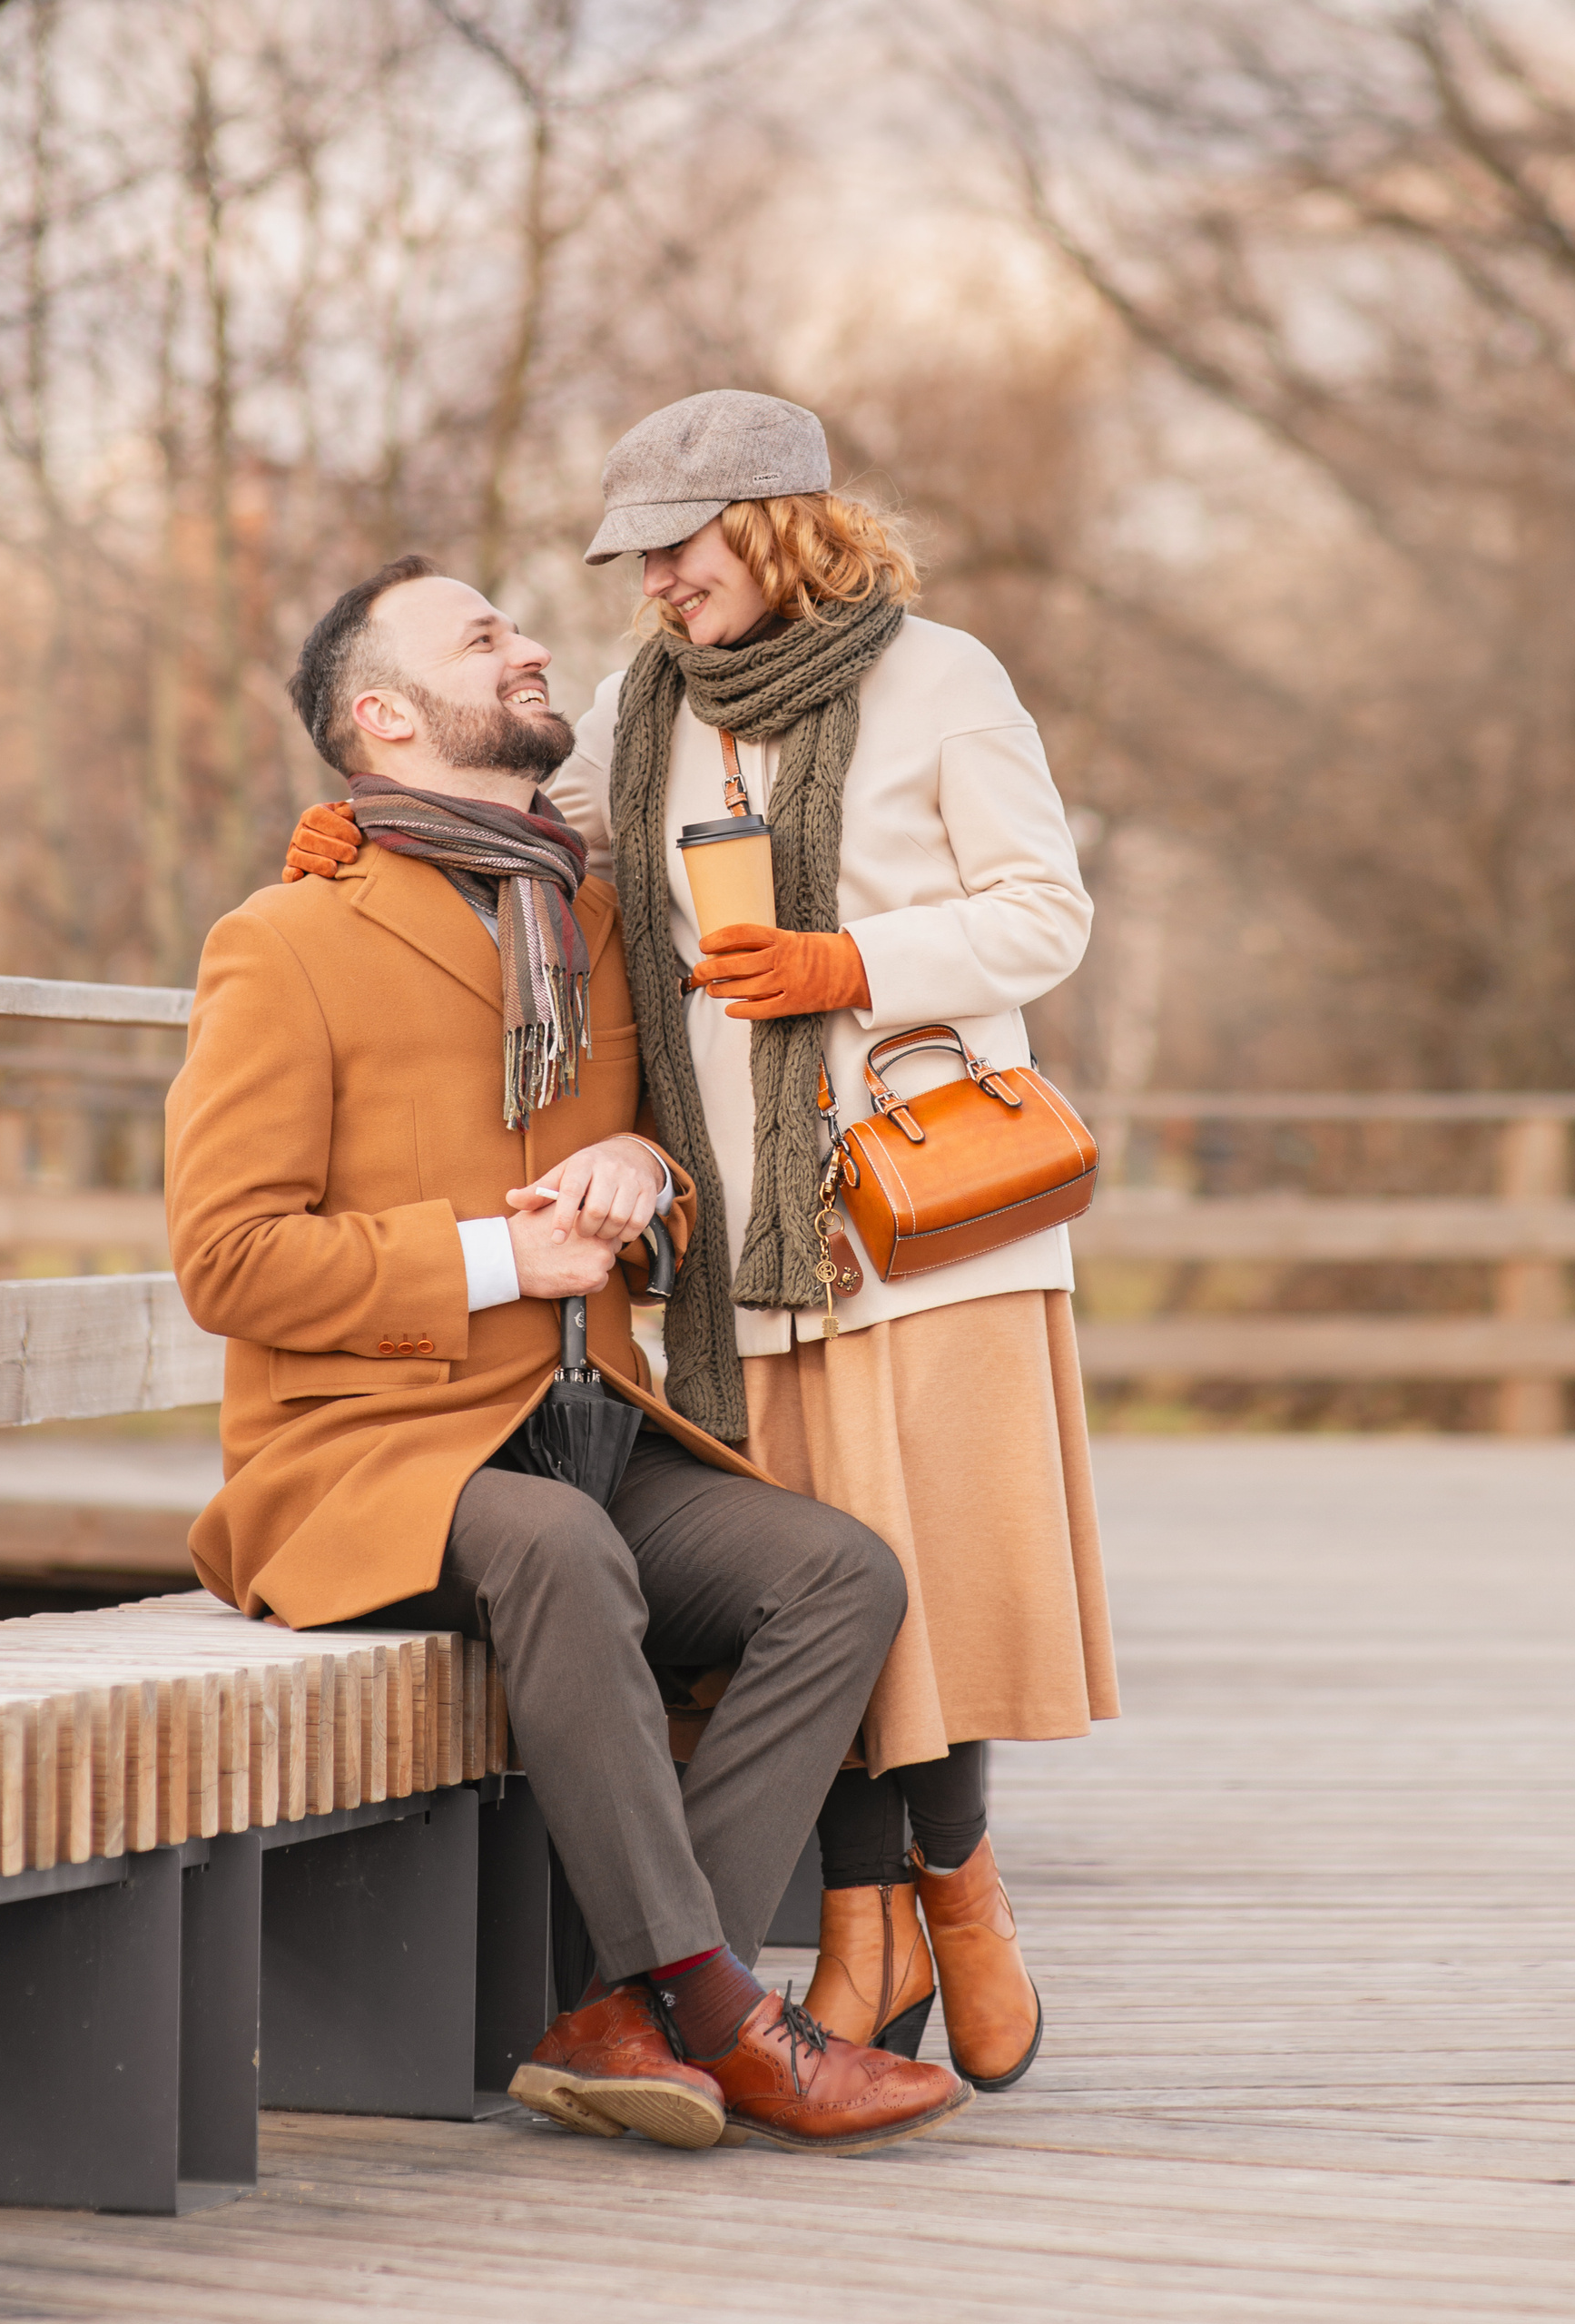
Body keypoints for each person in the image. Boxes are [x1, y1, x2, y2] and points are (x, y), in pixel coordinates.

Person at [283, 392, 1118, 2093]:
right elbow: (546, 847)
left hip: (924, 1208)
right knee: (833, 1571)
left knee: (928, 1576)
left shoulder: (937, 677)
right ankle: (864, 1920)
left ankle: (951, 1891)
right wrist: (358, 838)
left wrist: (846, 961)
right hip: (744, 1240)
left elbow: (1045, 912)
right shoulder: (633, 708)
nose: (653, 583)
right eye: (635, 559)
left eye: (677, 546)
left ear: (777, 519)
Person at [167, 553, 970, 2155]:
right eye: (485, 637)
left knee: (843, 1577)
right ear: (383, 717)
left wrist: (647, 1177)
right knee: (558, 1549)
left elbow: (657, 1154)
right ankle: (733, 2013)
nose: (532, 647)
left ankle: (626, 2013)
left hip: (589, 1419)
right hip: (373, 1458)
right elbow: (227, 1260)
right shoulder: (283, 940)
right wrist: (491, 1256)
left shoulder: (586, 914)